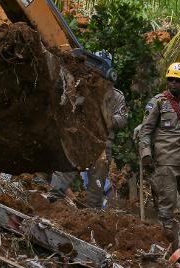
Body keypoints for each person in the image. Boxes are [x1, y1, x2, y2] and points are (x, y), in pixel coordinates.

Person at [137, 62, 180, 234]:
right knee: (167, 198)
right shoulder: (158, 102)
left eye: (177, 80)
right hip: (166, 157)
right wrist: (146, 153)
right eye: (171, 80)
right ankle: (165, 230)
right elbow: (145, 130)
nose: (173, 83)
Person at [50, 50, 127, 208]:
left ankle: (92, 219)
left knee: (95, 193)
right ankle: (50, 204)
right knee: (63, 175)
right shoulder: (81, 87)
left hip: (102, 148)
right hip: (80, 140)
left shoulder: (117, 96)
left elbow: (123, 119)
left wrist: (107, 119)